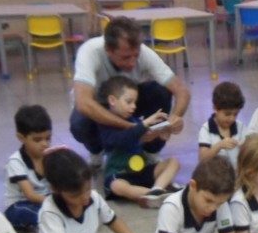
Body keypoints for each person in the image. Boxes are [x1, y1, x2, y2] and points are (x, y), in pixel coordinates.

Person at [69, 17, 191, 167]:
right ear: (108, 50)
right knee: (79, 123)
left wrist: (174, 119)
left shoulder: (145, 53)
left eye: (136, 55)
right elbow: (83, 103)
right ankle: (96, 149)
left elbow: (182, 91)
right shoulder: (90, 51)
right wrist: (134, 129)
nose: (132, 63)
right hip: (99, 104)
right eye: (126, 57)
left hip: (128, 101)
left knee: (160, 91)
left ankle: (151, 150)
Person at [97, 75, 180, 208]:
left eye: (135, 102)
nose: (134, 106)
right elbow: (120, 140)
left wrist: (160, 135)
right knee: (117, 186)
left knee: (173, 162)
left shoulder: (134, 120)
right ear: (112, 100)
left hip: (141, 170)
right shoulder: (105, 123)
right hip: (120, 173)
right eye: (129, 102)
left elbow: (146, 143)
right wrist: (144, 124)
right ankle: (156, 195)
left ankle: (157, 190)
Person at [3, 104, 52, 231]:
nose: (45, 144)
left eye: (48, 138)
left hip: (45, 200)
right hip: (19, 205)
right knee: (34, 213)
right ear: (21, 138)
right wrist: (57, 203)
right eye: (37, 140)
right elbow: (30, 195)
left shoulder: (50, 155)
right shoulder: (15, 161)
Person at [198, 81, 245, 168]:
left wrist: (246, 147)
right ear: (215, 108)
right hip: (216, 178)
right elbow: (202, 159)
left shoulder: (240, 127)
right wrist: (219, 146)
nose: (232, 118)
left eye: (235, 114)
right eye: (227, 114)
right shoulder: (206, 129)